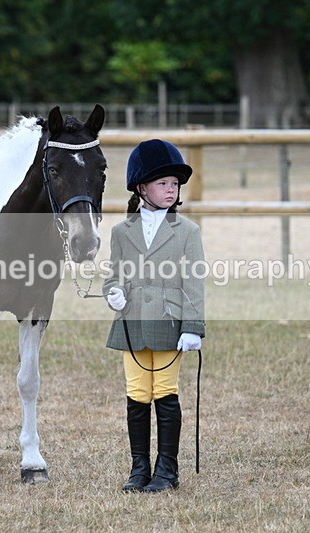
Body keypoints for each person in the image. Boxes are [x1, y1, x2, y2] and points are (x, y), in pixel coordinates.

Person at [103, 139, 206, 493]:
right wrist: (113, 293)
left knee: (164, 391)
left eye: (174, 184)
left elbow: (194, 282)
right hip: (131, 324)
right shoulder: (120, 232)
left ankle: (167, 471)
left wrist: (193, 327)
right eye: (163, 183)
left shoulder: (188, 232)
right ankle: (139, 469)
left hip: (168, 323)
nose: (170, 189)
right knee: (136, 394)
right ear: (142, 188)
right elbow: (113, 276)